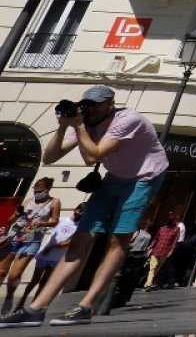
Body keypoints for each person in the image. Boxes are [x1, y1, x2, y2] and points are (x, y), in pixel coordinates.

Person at [0, 86, 169, 328]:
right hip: (114, 177)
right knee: (81, 238)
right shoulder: (85, 122)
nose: (91, 108)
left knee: (117, 239)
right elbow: (49, 157)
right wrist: (63, 126)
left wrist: (78, 126)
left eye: (97, 104)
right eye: (87, 103)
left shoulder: (128, 119)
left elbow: (94, 156)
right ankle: (37, 309)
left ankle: (86, 306)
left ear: (110, 104)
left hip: (145, 177)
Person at [1, 180, 59, 315]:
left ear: (48, 189)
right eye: (35, 190)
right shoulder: (27, 201)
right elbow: (11, 220)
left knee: (14, 275)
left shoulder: (54, 202)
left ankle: (9, 296)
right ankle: (9, 297)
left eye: (40, 191)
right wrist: (16, 214)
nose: (37, 193)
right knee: (1, 272)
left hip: (32, 240)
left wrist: (43, 223)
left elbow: (55, 221)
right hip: (15, 237)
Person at [16, 204, 78, 312]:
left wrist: (54, 247)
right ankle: (20, 304)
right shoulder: (62, 220)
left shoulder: (80, 226)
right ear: (75, 209)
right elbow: (46, 230)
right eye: (80, 211)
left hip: (57, 257)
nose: (80, 214)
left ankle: (33, 305)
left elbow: (69, 242)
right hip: (45, 254)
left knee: (44, 282)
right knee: (34, 280)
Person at [143, 212, 182, 290]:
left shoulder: (176, 229)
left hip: (165, 252)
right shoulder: (162, 228)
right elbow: (156, 238)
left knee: (157, 268)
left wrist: (171, 251)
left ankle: (148, 282)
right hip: (156, 250)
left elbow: (174, 242)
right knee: (153, 267)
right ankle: (148, 284)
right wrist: (151, 246)